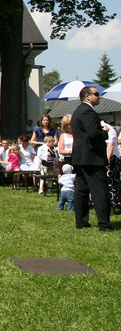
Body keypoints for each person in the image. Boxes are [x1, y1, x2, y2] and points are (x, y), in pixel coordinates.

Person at [70, 86, 112, 231]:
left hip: (81, 157)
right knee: (100, 191)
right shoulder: (87, 111)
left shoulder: (77, 111)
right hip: (92, 157)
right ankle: (104, 224)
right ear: (87, 96)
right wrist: (105, 133)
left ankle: (81, 222)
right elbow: (93, 134)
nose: (98, 96)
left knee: (82, 190)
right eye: (96, 94)